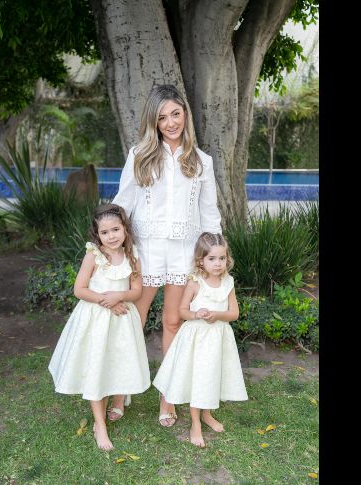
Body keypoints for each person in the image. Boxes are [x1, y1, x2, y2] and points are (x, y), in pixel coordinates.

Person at [111, 84, 222, 427]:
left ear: (185, 114)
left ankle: (168, 395)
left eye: (176, 113)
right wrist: (110, 247)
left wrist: (214, 255)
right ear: (154, 122)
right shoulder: (139, 155)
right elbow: (123, 203)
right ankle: (120, 390)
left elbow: (209, 213)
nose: (171, 122)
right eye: (162, 117)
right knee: (133, 319)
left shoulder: (201, 161)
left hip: (183, 252)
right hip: (145, 250)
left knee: (173, 322)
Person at [47, 203, 151, 451]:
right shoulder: (93, 255)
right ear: (97, 235)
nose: (111, 236)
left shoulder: (132, 256)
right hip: (95, 319)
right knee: (96, 367)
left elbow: (136, 291)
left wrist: (119, 297)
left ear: (125, 229)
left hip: (122, 321)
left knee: (116, 362)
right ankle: (99, 424)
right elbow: (79, 289)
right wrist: (107, 301)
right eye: (105, 232)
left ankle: (118, 398)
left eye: (116, 229)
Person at [152, 232, 248, 447]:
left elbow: (234, 313)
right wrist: (197, 314)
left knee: (211, 377)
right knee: (198, 378)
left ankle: (207, 414)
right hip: (196, 340)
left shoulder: (228, 283)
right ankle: (195, 422)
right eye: (211, 259)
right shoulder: (195, 282)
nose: (217, 264)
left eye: (221, 258)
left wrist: (218, 315)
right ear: (200, 261)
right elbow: (182, 311)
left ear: (227, 259)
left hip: (218, 339)